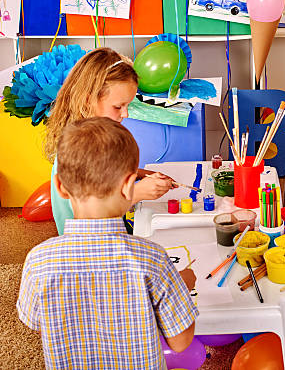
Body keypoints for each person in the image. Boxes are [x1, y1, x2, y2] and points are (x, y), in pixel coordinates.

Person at [17, 117, 199, 369]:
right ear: (129, 186)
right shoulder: (152, 259)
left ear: (58, 186)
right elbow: (180, 342)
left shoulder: (38, 260)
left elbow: (38, 325)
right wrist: (181, 285)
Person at [45, 47, 175, 235]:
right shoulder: (79, 145)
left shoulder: (92, 135)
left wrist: (138, 173)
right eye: (118, 106)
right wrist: (138, 193)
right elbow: (91, 209)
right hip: (85, 244)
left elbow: (100, 172)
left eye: (128, 105)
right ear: (88, 100)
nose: (125, 114)